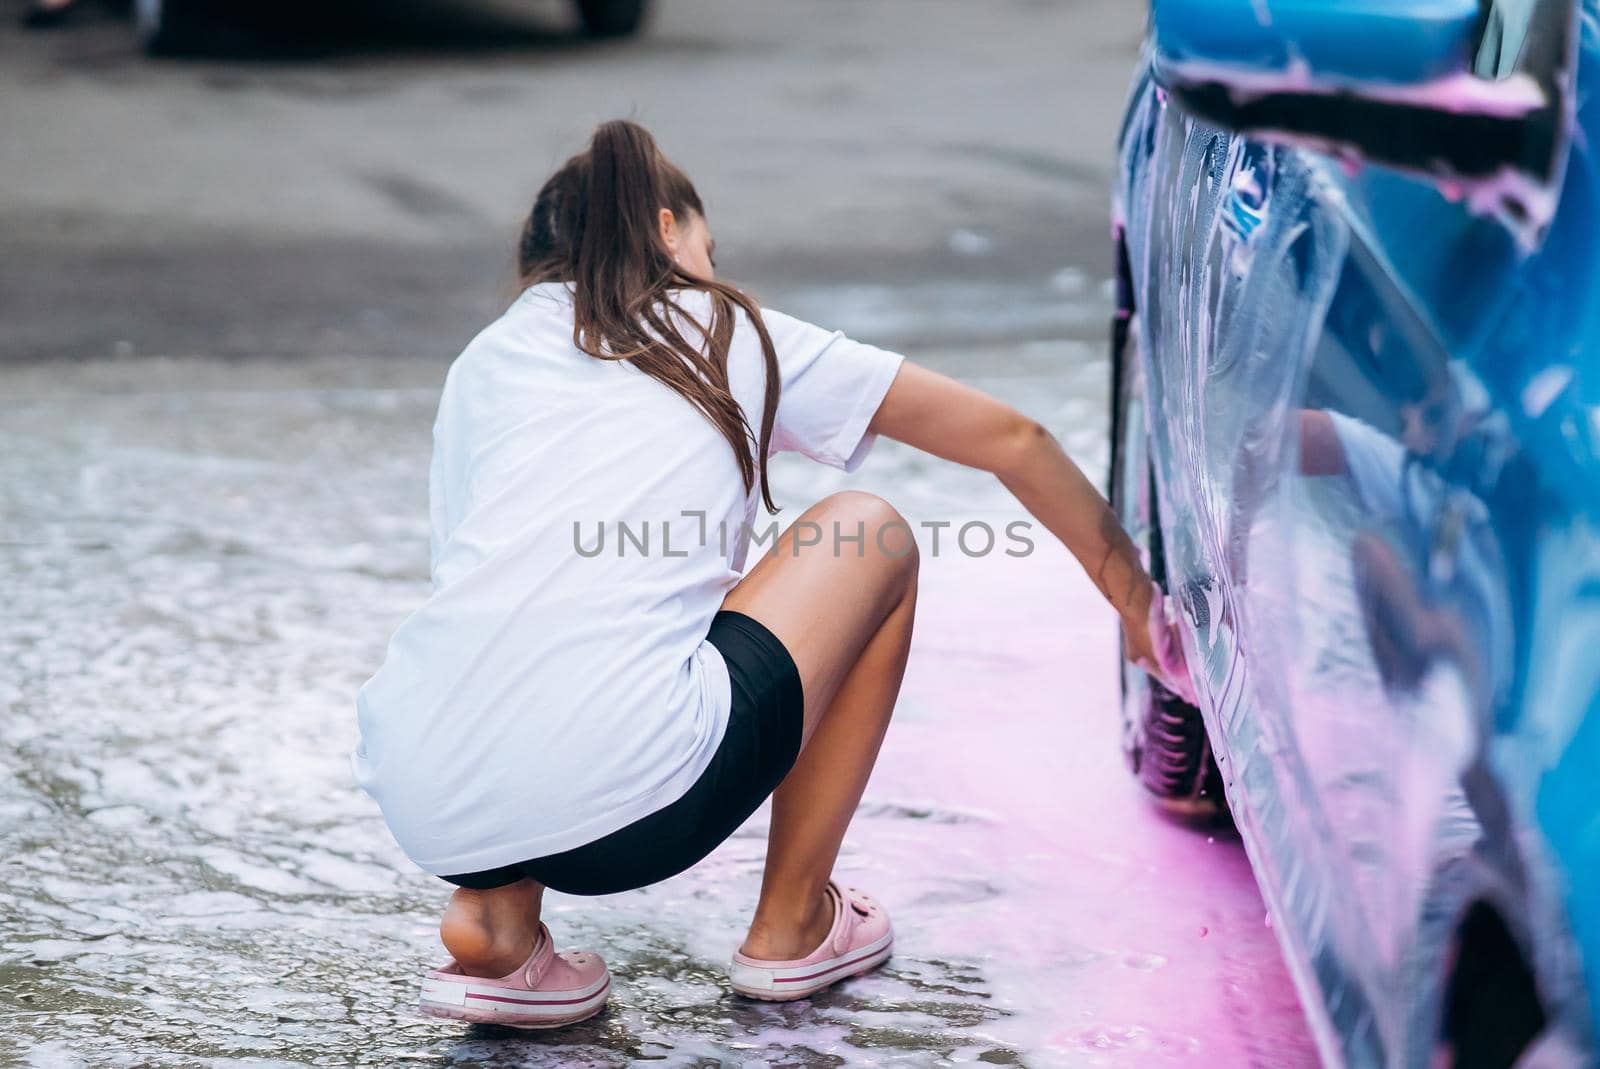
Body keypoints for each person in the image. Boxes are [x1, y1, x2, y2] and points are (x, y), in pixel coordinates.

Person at [353, 119, 1191, 1029]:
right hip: (639, 806)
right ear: (669, 231)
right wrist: (1135, 598)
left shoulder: (486, 362)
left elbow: (477, 579)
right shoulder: (720, 328)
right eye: (709, 246)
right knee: (869, 532)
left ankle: (491, 920)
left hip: (428, 795)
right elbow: (1012, 438)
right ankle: (793, 923)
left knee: (532, 604)